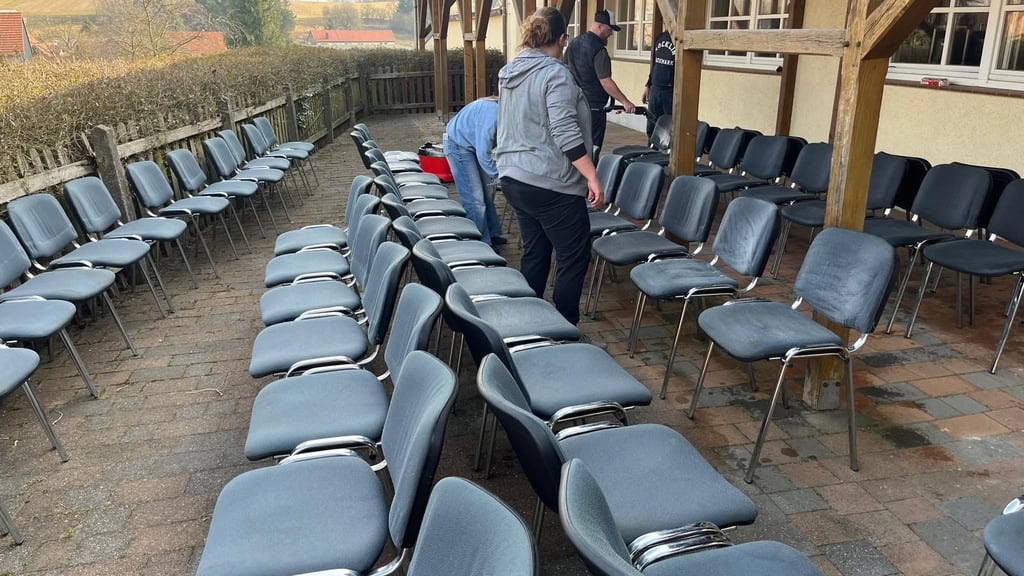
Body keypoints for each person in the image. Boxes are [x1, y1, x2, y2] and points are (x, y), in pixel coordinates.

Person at [494, 6, 604, 325]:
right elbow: (564, 130)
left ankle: (530, 323)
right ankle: (563, 328)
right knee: (573, 255)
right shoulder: (555, 73)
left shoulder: (510, 72)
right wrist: (592, 176)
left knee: (536, 251)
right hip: (549, 182)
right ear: (562, 39)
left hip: (514, 176)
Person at [564, 9, 636, 150]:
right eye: (610, 30)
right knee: (593, 147)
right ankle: (591, 171)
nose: (611, 34)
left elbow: (565, 69)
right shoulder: (598, 50)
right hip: (594, 108)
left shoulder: (574, 43)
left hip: (574, 104)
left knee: (576, 144)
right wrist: (625, 102)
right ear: (599, 26)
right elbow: (605, 81)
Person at [444, 96, 506, 246]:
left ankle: (493, 233)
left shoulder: (509, 113)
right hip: (458, 144)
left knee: (487, 191)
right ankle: (480, 243)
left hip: (473, 143)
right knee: (474, 198)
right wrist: (501, 178)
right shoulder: (491, 119)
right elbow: (484, 155)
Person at [643, 27, 675, 139]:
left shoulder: (679, 40)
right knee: (651, 123)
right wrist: (648, 85)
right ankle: (650, 150)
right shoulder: (660, 38)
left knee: (669, 126)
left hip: (670, 90)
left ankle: (670, 154)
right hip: (656, 88)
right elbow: (654, 63)